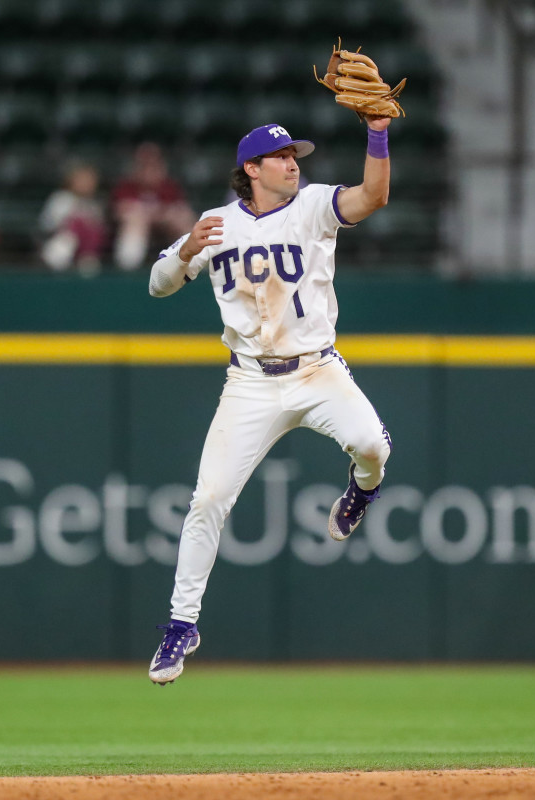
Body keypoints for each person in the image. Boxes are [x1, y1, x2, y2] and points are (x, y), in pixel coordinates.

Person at [146, 118, 396, 685]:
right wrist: (185, 250)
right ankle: (181, 625)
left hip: (317, 369)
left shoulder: (311, 207)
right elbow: (158, 283)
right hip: (251, 383)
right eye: (280, 157)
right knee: (208, 498)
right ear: (251, 170)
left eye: (295, 155)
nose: (293, 163)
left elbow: (374, 196)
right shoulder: (216, 225)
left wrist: (377, 134)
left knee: (371, 446)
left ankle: (362, 490)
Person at [112, 142, 196, 270]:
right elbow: (119, 212)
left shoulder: (170, 187)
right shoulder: (126, 186)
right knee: (135, 223)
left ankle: (195, 266)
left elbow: (184, 212)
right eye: (144, 166)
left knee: (183, 222)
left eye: (153, 165)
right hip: (139, 230)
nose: (149, 171)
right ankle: (127, 270)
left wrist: (161, 215)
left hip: (166, 231)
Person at [38, 160, 108, 275]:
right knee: (66, 241)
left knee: (89, 266)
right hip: (60, 243)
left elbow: (100, 229)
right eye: (82, 179)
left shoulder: (95, 204)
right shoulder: (60, 198)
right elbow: (48, 225)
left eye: (90, 180)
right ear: (72, 180)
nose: (86, 183)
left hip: (87, 252)